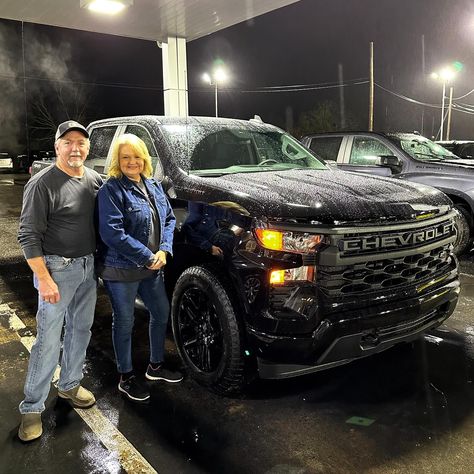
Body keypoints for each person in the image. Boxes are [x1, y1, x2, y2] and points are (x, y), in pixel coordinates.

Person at [17, 120, 103, 442]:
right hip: (57, 269)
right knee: (48, 339)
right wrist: (45, 279)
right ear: (57, 147)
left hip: (87, 267)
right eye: (68, 142)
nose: (75, 148)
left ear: (88, 148)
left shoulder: (94, 180)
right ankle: (32, 407)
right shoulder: (42, 184)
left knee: (81, 329)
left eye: (81, 142)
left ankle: (69, 385)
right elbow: (27, 236)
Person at [96, 133, 182, 403]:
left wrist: (164, 250)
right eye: (125, 157)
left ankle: (155, 367)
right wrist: (147, 255)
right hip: (121, 269)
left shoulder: (153, 185)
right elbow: (112, 233)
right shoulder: (111, 190)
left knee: (161, 311)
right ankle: (126, 377)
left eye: (136, 156)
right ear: (117, 161)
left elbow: (168, 219)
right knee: (124, 322)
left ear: (145, 158)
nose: (131, 162)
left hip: (152, 266)